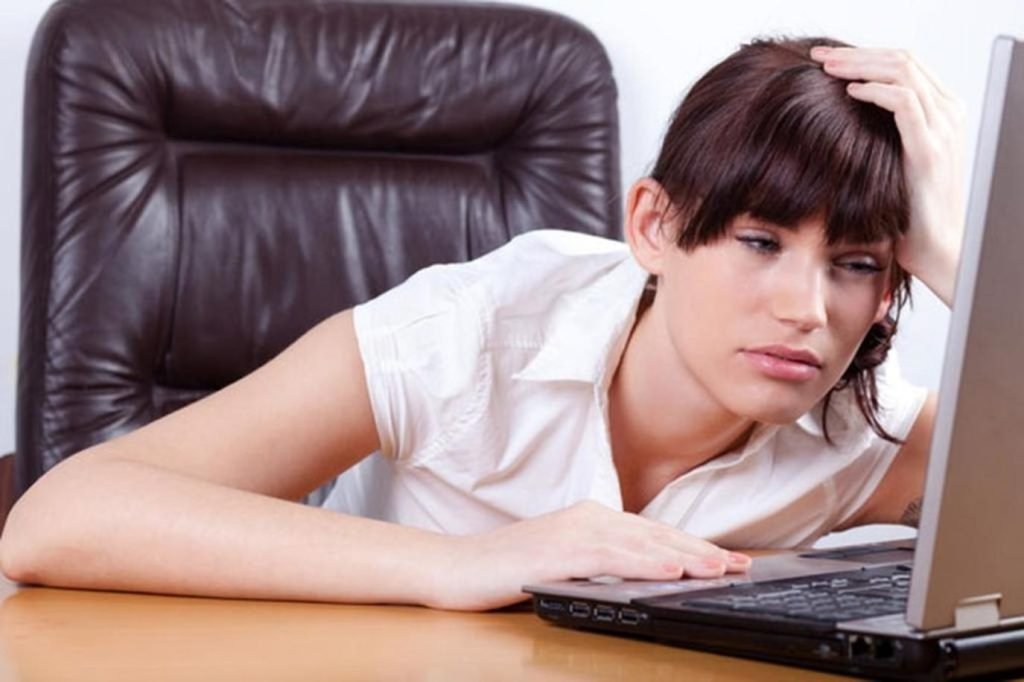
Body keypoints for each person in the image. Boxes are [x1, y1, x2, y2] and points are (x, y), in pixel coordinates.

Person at [0, 36, 965, 611]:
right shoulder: (475, 329)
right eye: (759, 242)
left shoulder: (865, 435)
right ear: (655, 227)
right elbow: (57, 520)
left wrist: (959, 254)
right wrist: (466, 564)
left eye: (857, 264)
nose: (806, 309)